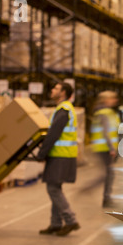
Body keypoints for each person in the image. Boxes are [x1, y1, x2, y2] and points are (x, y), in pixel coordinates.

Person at [37, 82, 80, 236]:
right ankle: (55, 223)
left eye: (55, 88)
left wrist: (41, 153)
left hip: (61, 155)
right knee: (55, 187)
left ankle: (70, 220)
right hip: (62, 154)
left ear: (62, 92)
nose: (52, 90)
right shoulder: (64, 109)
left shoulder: (64, 110)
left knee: (53, 188)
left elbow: (53, 135)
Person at [90, 90, 121, 206]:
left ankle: (106, 198)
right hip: (104, 148)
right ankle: (106, 199)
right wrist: (112, 148)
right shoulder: (105, 113)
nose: (115, 100)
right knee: (109, 173)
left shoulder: (108, 112)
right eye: (112, 98)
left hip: (103, 147)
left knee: (108, 173)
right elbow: (106, 132)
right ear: (106, 100)